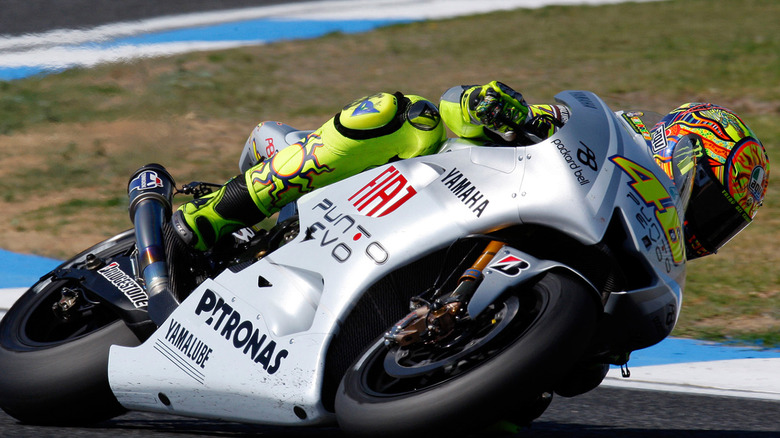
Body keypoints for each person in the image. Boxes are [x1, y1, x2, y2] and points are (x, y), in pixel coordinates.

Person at [171, 82, 770, 262]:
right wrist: (499, 107)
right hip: (436, 189)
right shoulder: (606, 139)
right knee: (401, 114)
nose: (706, 228)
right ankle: (206, 219)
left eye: (724, 226)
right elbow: (464, 107)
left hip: (452, 251)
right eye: (711, 205)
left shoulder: (644, 260)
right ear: (679, 151)